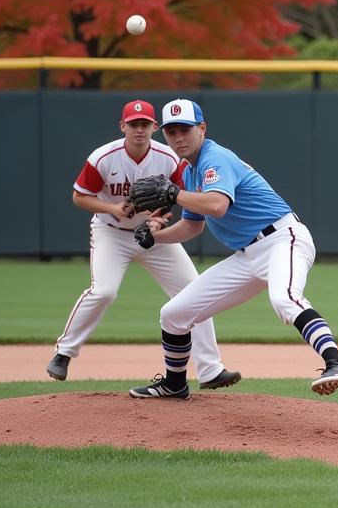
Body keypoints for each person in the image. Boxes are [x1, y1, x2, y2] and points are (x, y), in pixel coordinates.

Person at [125, 97, 338, 400]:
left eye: (185, 129)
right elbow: (192, 225)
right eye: (171, 132)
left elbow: (218, 205)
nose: (179, 137)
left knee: (284, 298)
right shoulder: (188, 172)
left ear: (202, 128)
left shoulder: (214, 158)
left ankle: (337, 363)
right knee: (174, 313)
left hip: (281, 239)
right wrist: (155, 238)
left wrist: (173, 193)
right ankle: (174, 384)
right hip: (247, 255)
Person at [47, 99, 240, 390]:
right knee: (104, 291)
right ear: (122, 126)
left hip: (153, 237)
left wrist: (158, 220)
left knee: (193, 292)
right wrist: (112, 209)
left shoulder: (168, 158)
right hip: (111, 232)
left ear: (153, 128)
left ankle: (211, 370)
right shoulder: (103, 157)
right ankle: (64, 352)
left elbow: (179, 199)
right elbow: (79, 196)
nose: (139, 130)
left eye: (145, 124)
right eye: (133, 124)